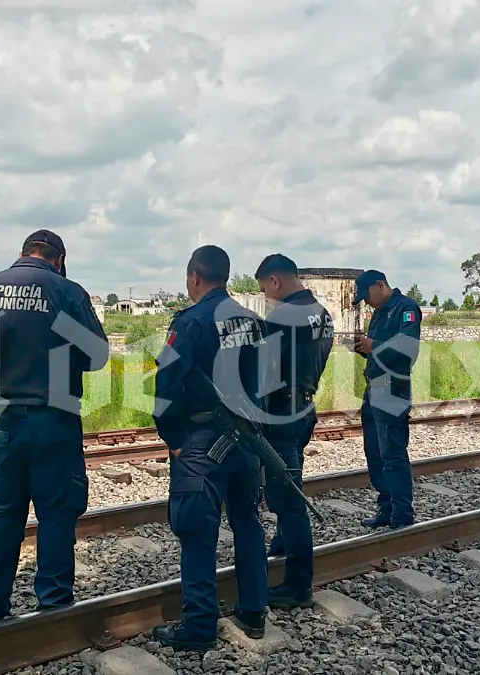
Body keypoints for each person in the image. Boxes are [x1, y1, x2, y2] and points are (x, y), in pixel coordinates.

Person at [0, 229, 109, 625]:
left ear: (21, 253)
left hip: (3, 426)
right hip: (55, 423)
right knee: (57, 514)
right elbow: (96, 357)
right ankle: (54, 608)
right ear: (58, 260)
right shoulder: (67, 291)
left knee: (2, 515)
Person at [151, 245, 269, 652]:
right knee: (247, 522)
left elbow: (166, 385)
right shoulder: (255, 321)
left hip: (202, 442)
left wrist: (174, 441)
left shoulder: (189, 323)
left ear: (195, 277)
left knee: (198, 531)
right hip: (248, 442)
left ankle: (199, 625)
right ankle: (254, 611)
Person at [253, 254, 333, 608]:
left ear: (274, 281)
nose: (267, 299)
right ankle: (281, 548)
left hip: (281, 412)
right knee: (291, 482)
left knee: (288, 501)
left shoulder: (284, 315)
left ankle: (298, 585)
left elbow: (263, 366)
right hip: (304, 405)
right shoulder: (321, 313)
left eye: (264, 291)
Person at [349, 270, 421, 530]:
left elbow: (408, 348)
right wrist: (364, 350)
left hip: (393, 387)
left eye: (366, 295)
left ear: (380, 285)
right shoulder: (379, 312)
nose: (365, 302)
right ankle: (386, 507)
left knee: (392, 452)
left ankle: (402, 514)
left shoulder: (406, 308)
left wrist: (374, 345)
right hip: (375, 387)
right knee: (375, 452)